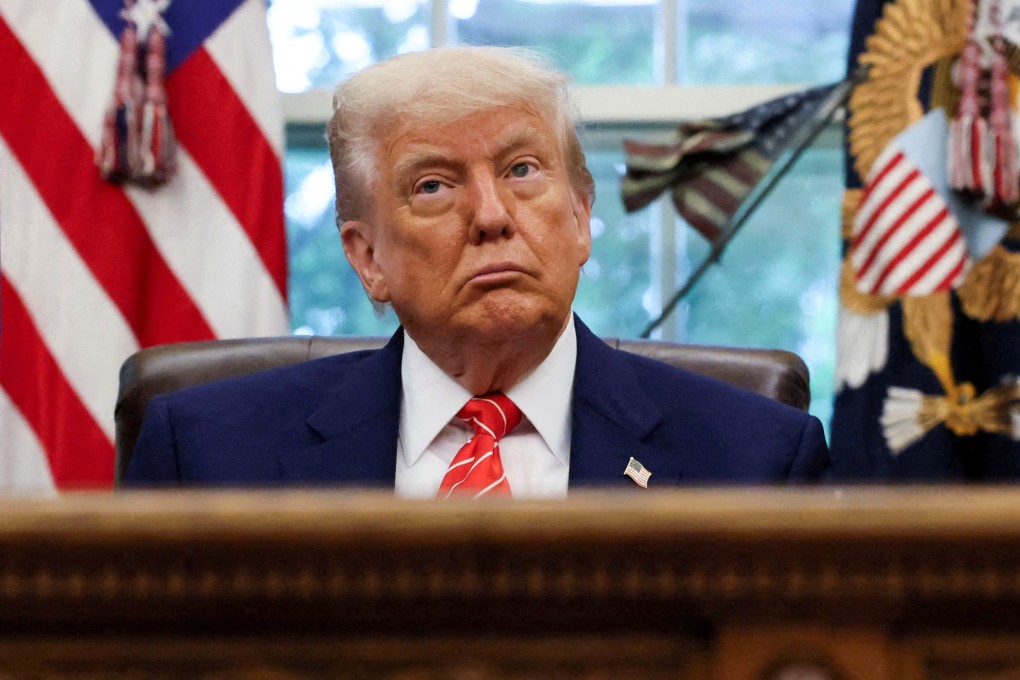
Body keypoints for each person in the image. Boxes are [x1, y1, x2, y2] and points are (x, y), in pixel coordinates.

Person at [124, 46, 830, 495]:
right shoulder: (209, 456)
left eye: (522, 170)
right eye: (433, 185)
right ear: (367, 257)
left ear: (581, 220)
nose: (491, 215)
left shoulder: (757, 460)